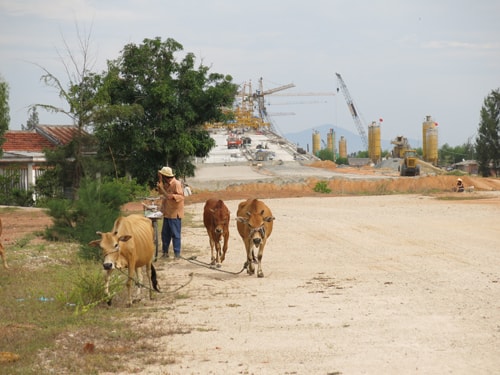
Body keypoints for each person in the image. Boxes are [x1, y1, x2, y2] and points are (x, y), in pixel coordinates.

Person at [157, 166, 185, 259]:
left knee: (175, 234)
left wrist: (172, 196)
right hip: (167, 213)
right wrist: (160, 180)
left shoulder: (176, 183)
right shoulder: (166, 184)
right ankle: (165, 253)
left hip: (175, 213)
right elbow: (160, 192)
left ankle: (177, 254)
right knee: (165, 234)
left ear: (166, 176)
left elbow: (181, 196)